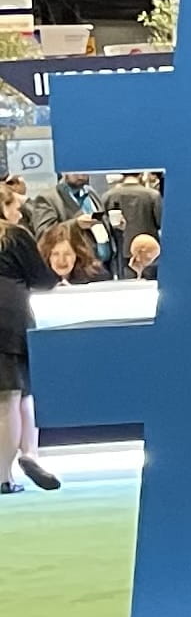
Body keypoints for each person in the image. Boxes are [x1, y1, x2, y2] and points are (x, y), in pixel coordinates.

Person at [0, 201, 68, 495]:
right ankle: (6, 474)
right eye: (15, 206)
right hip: (9, 320)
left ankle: (29, 454)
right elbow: (41, 278)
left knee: (22, 393)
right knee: (12, 397)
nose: (20, 211)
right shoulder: (13, 235)